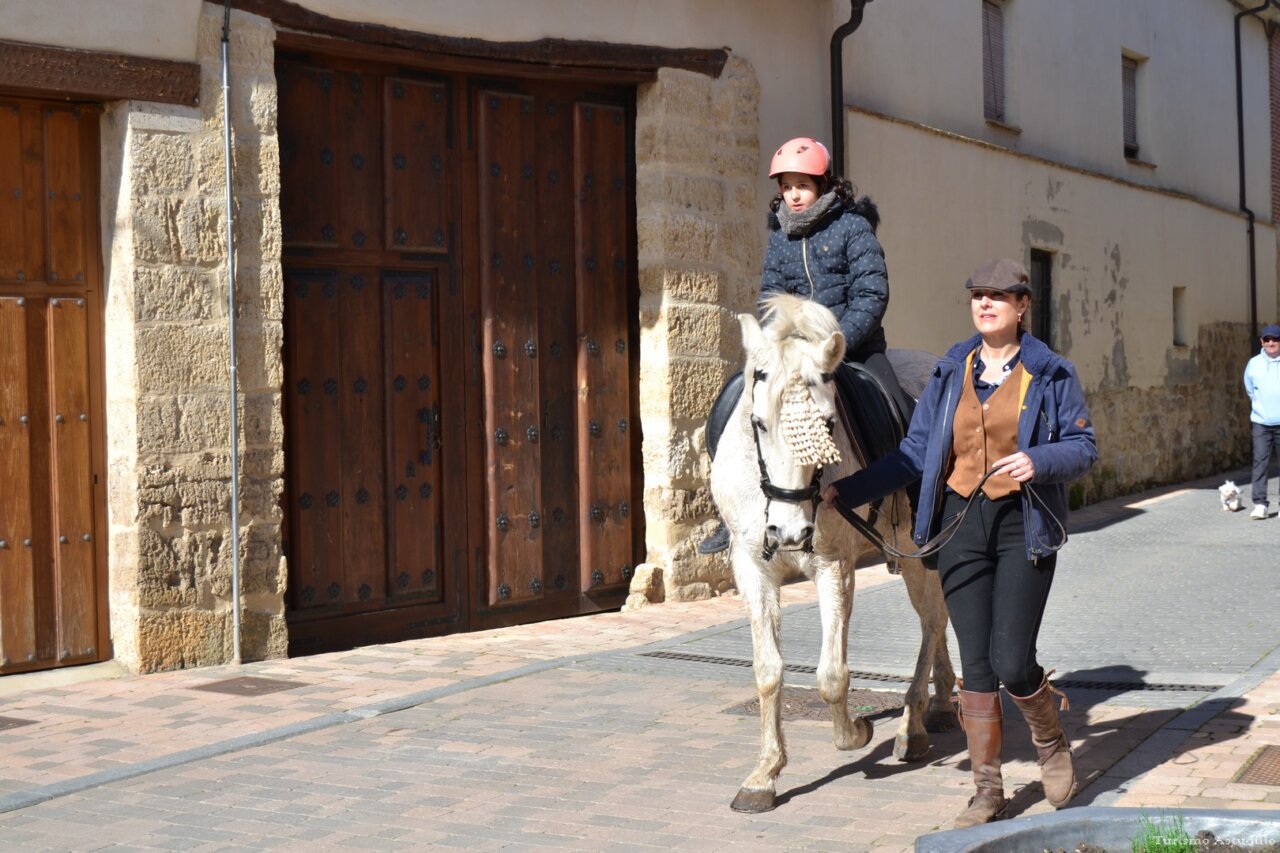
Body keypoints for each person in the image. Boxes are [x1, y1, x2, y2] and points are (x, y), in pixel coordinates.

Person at [821, 258, 1098, 827]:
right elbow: (914, 453)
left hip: (1024, 522)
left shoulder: (1051, 372)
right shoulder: (953, 369)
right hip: (960, 525)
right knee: (975, 665)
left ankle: (1050, 741)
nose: (986, 303)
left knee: (1012, 660)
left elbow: (1084, 447)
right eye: (978, 295)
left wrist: (1039, 459)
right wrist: (846, 490)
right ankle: (986, 790)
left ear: (1023, 306)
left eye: (1000, 295)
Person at [698, 136, 910, 554]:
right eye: (786, 186)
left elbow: (872, 293)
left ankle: (911, 506)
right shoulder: (780, 236)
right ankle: (730, 516)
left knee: (897, 410)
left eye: (802, 185)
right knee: (732, 400)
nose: (793, 195)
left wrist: (836, 343)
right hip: (793, 354)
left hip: (852, 347)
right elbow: (770, 295)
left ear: (823, 182)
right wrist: (780, 346)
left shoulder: (853, 227)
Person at [1244, 323, 1280, 520]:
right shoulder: (1254, 364)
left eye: (1275, 339)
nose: (1271, 343)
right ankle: (1260, 504)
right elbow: (1250, 389)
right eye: (1267, 339)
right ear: (1262, 342)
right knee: (1260, 462)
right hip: (1261, 423)